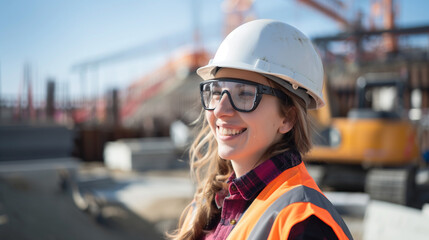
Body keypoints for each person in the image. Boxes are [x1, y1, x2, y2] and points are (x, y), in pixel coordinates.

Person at [169, 19, 353, 240]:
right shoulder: (210, 205)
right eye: (216, 91)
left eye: (245, 94)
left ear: (287, 118)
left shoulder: (304, 224)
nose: (220, 110)